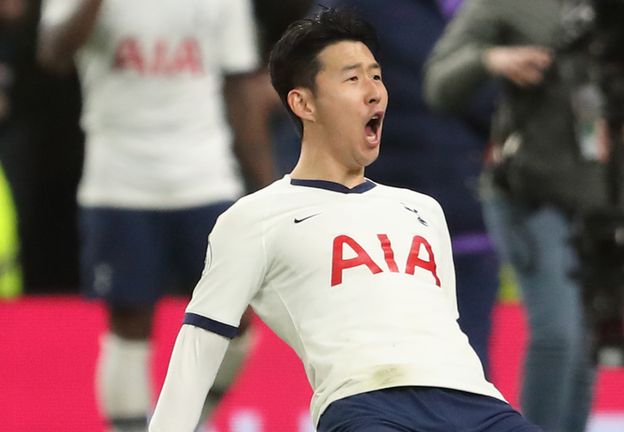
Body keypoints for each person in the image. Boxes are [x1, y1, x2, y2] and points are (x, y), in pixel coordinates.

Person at [148, 8, 541, 432]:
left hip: (478, 403)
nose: (374, 92)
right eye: (353, 79)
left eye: (377, 76)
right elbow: (198, 347)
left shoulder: (423, 210)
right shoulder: (254, 218)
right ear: (303, 102)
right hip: (366, 407)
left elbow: (442, 329)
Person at [36, 0, 273, 430]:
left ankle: (190, 422)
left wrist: (268, 185)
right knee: (129, 323)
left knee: (237, 319)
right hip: (120, 181)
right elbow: (52, 52)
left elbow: (239, 83)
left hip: (206, 176)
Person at [423, 1, 618, 430]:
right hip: (529, 191)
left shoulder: (622, 11)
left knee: (584, 342)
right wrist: (491, 58)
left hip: (600, 197)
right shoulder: (507, 3)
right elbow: (438, 82)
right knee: (558, 335)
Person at [321, 0, 500, 370]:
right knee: (387, 369)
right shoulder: (360, 9)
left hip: (467, 219)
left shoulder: (485, 9)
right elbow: (308, 74)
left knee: (466, 366)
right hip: (383, 229)